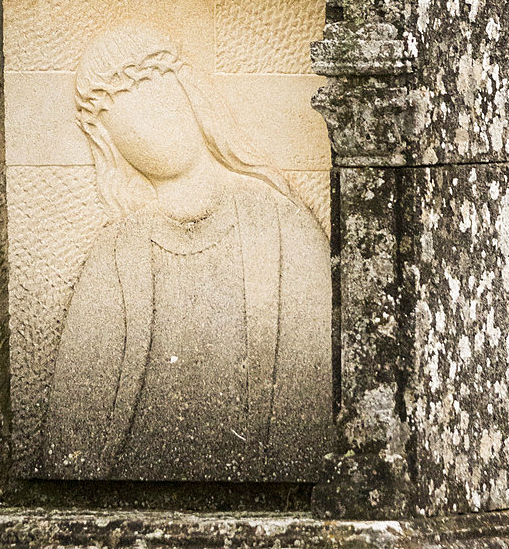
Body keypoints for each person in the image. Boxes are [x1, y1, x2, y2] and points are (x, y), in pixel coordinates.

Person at [42, 24, 333, 482]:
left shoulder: (282, 227)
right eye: (120, 108)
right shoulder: (117, 252)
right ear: (107, 139)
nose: (145, 122)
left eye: (152, 89)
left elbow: (311, 393)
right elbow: (75, 426)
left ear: (190, 93)